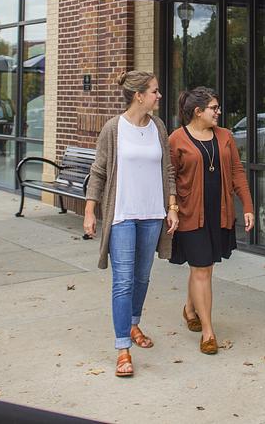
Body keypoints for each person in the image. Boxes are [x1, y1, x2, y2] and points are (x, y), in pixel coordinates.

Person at [83, 71, 178, 378]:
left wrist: (172, 206)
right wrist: (89, 211)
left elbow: (168, 170)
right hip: (122, 214)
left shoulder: (158, 127)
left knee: (142, 277)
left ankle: (134, 322)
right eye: (155, 91)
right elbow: (98, 173)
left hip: (152, 214)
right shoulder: (114, 129)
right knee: (122, 281)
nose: (158, 96)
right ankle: (123, 347)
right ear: (139, 96)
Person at [169, 87, 254, 354]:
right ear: (198, 112)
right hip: (190, 213)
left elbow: (237, 172)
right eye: (214, 108)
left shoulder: (226, 136)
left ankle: (190, 309)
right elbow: (169, 177)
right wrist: (171, 207)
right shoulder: (176, 139)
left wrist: (248, 206)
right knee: (202, 268)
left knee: (203, 269)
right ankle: (208, 331)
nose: (218, 112)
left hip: (219, 212)